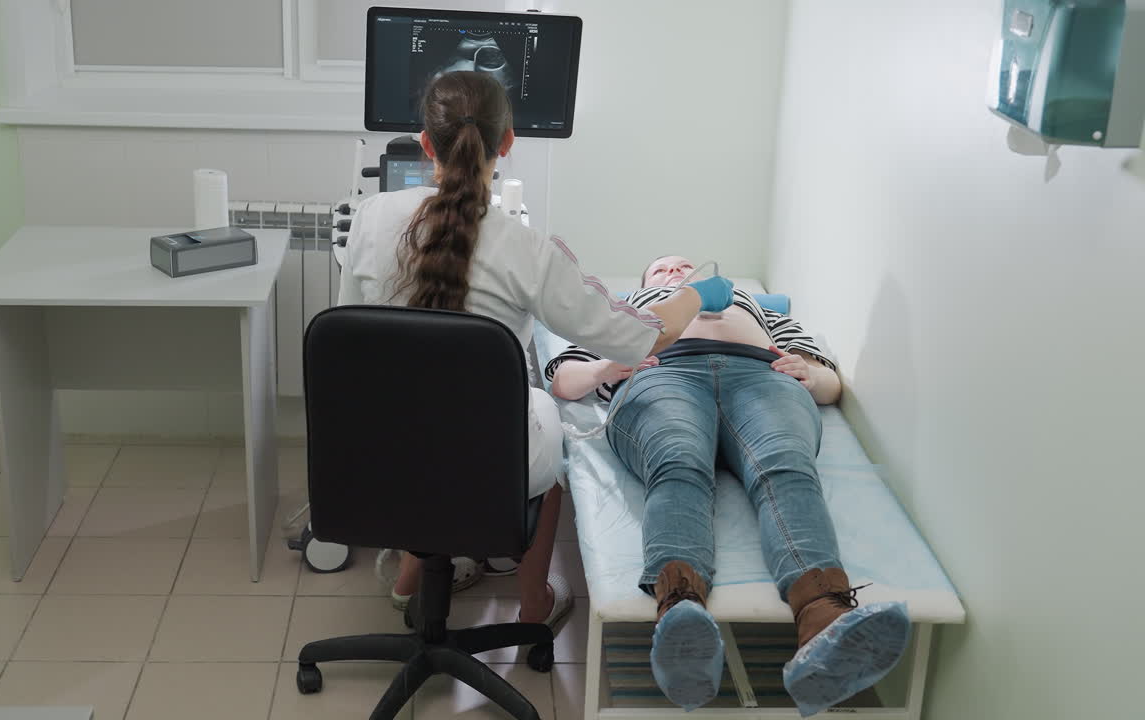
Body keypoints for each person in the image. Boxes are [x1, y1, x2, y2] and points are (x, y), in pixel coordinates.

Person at [336, 75, 735, 631]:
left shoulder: (371, 218)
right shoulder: (528, 250)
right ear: (506, 143)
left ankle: (411, 584)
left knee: (417, 418)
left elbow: (348, 343)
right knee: (548, 421)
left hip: (377, 458)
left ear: (425, 144)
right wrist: (698, 292)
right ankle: (534, 605)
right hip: (486, 467)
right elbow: (642, 336)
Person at [547, 256, 910, 715]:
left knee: (786, 467)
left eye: (685, 266)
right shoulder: (628, 310)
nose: (676, 272)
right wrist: (603, 370)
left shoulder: (756, 309)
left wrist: (813, 375)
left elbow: (828, 380)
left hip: (764, 376)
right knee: (677, 463)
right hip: (661, 375)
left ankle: (823, 619)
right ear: (643, 285)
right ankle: (680, 612)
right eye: (662, 270)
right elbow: (562, 377)